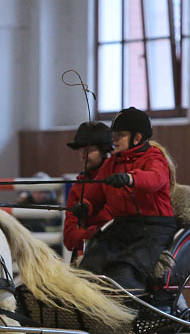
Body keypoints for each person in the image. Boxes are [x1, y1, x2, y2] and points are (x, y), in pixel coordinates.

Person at [75, 107, 177, 295]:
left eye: (120, 135)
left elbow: (155, 179)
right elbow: (95, 195)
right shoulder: (111, 164)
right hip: (122, 227)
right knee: (90, 264)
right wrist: (86, 207)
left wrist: (130, 178)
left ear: (136, 138)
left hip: (153, 229)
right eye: (114, 135)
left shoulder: (155, 158)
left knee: (126, 270)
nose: (114, 140)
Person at [63, 121, 115, 256]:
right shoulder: (77, 187)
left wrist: (84, 232)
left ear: (104, 152)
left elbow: (115, 230)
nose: (84, 155)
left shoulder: (115, 182)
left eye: (90, 150)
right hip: (85, 255)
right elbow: (69, 238)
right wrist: (92, 233)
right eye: (82, 150)